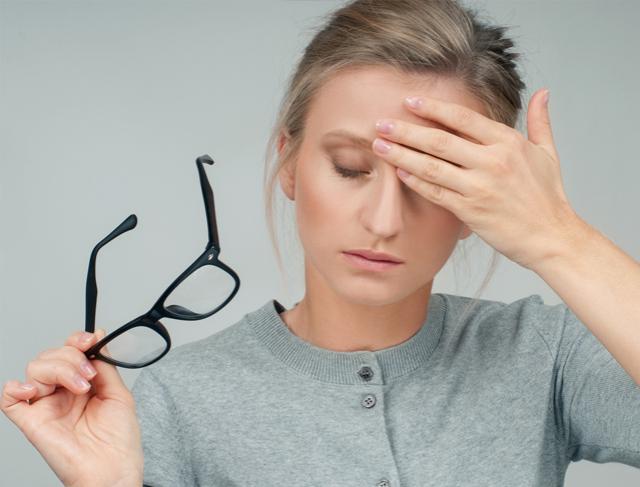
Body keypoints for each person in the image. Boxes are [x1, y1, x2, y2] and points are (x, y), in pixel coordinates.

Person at [3, 0, 640, 486]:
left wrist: (559, 237)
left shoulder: (547, 356)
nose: (384, 220)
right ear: (289, 161)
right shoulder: (174, 401)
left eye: (433, 180)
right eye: (350, 168)